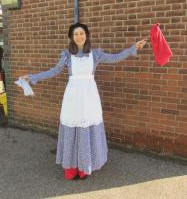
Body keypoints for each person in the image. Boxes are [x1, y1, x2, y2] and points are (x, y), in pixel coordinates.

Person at [21, 22, 146, 180]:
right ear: (72, 38)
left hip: (89, 98)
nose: (79, 36)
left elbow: (115, 58)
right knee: (72, 127)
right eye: (75, 34)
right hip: (72, 98)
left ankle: (85, 167)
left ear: (86, 35)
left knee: (87, 127)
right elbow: (54, 71)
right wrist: (32, 77)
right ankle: (71, 168)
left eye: (81, 33)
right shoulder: (67, 55)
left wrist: (133, 48)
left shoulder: (95, 54)